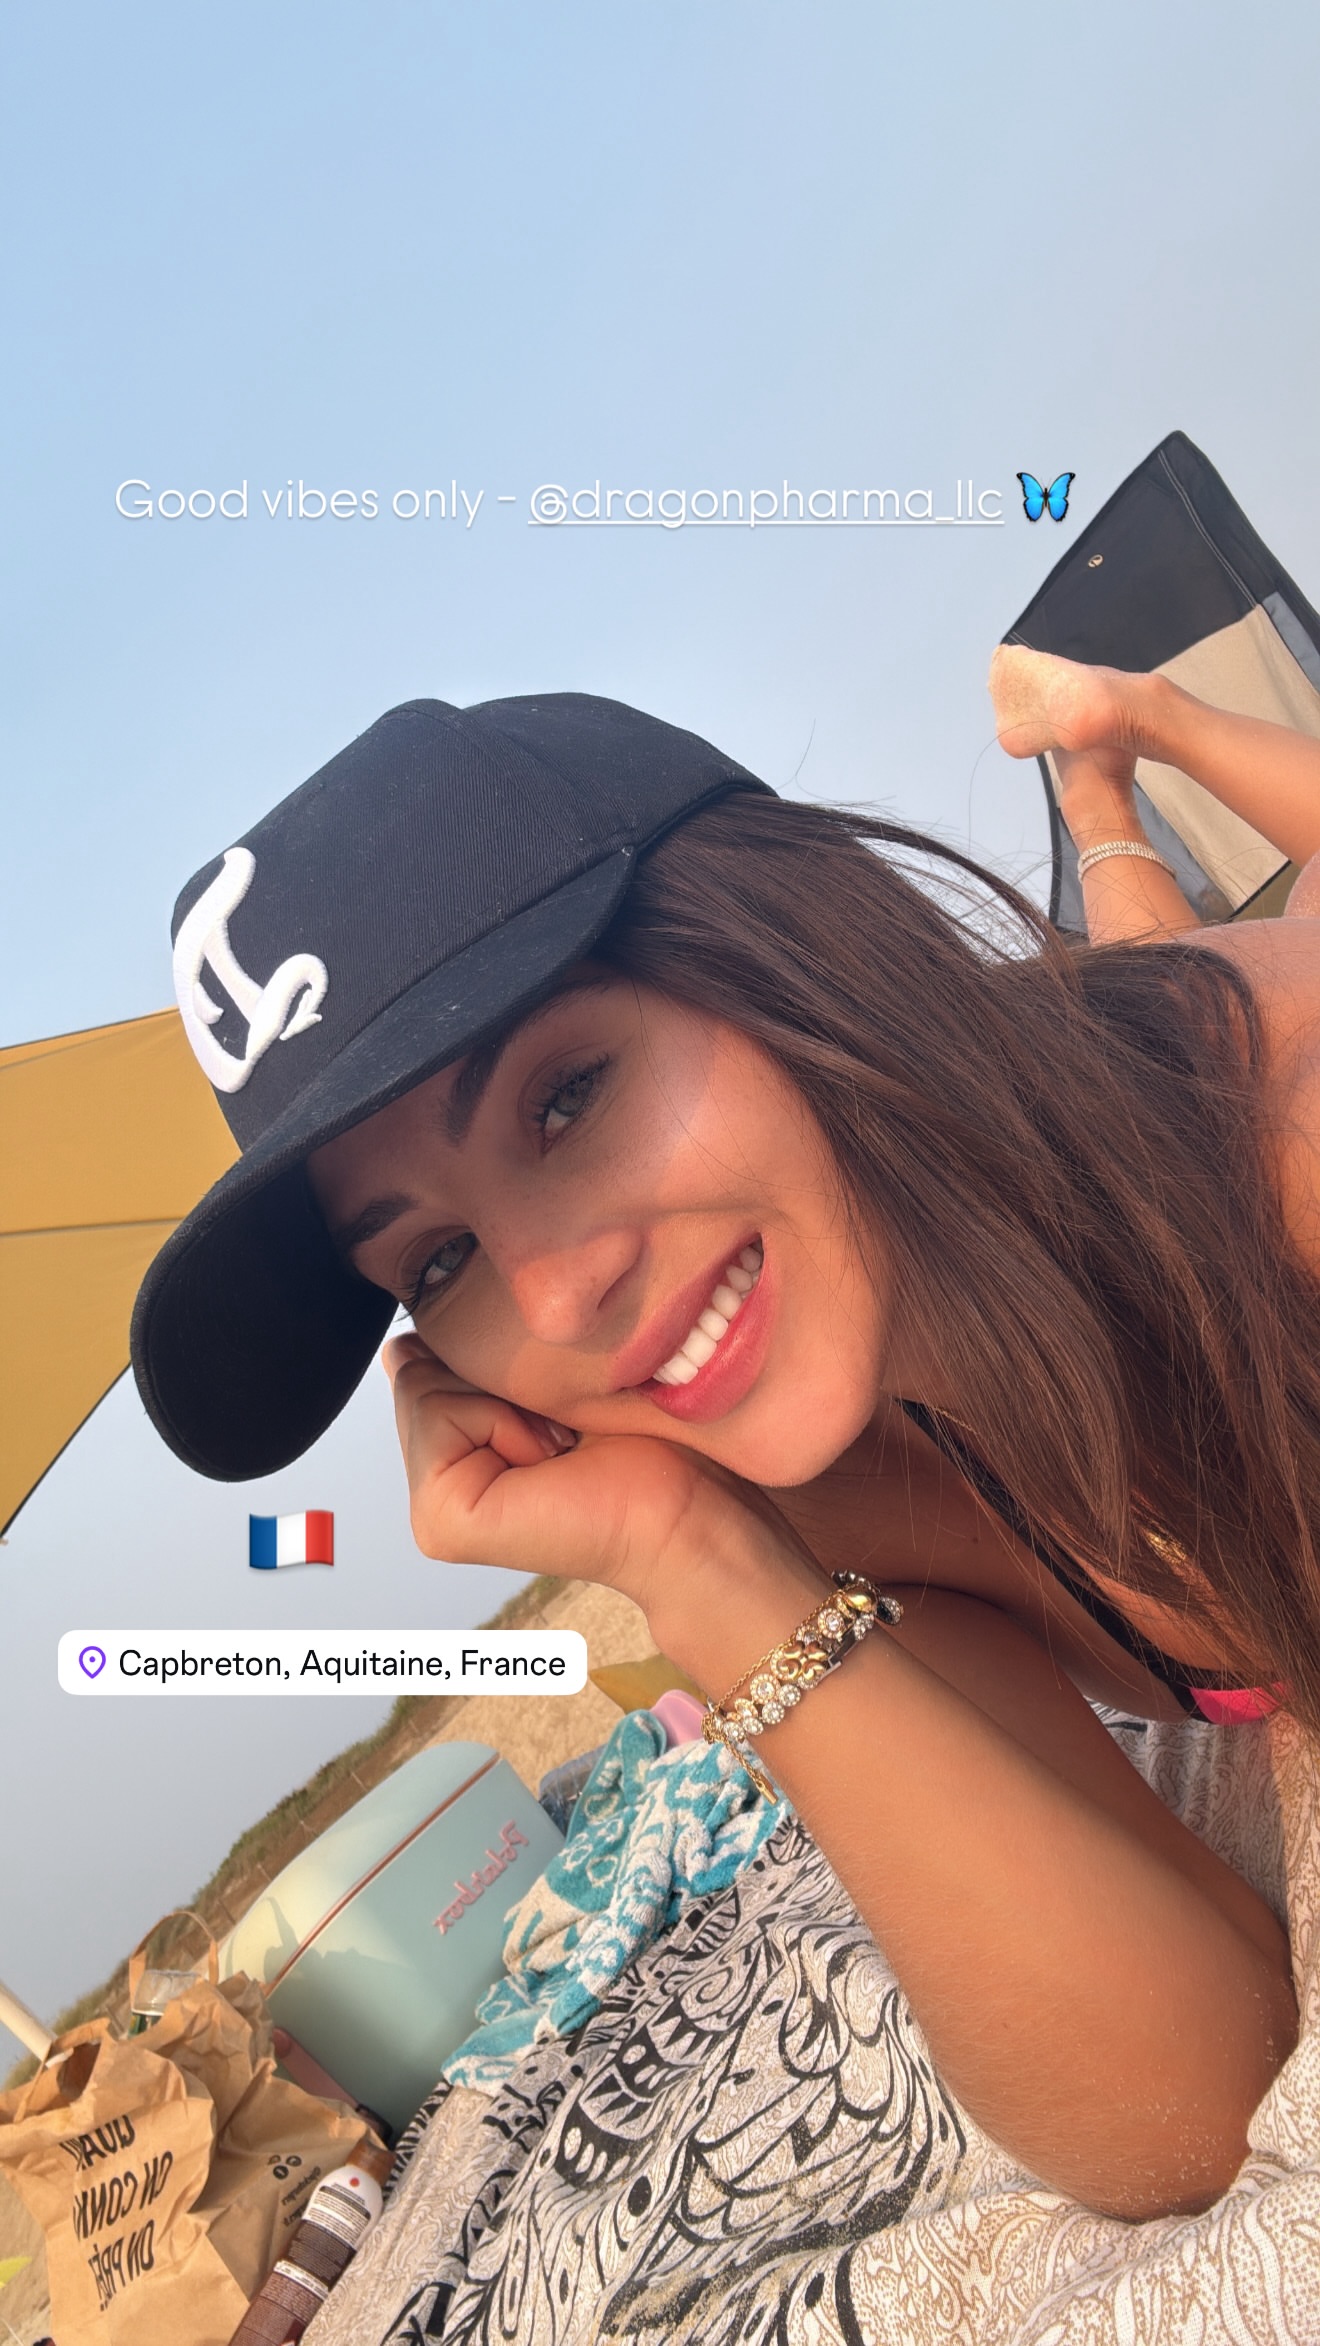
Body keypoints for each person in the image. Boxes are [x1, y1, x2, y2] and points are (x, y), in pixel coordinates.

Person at [132, 664, 1320, 2230]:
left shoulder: (1288, 1154)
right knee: (1125, 982)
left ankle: (1137, 728)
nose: (554, 1295)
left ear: (781, 937)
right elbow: (1192, 2108)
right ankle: (1102, 786)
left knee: (1182, 977)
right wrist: (690, 1560)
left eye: (566, 1096)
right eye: (439, 1260)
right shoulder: (832, 1493)